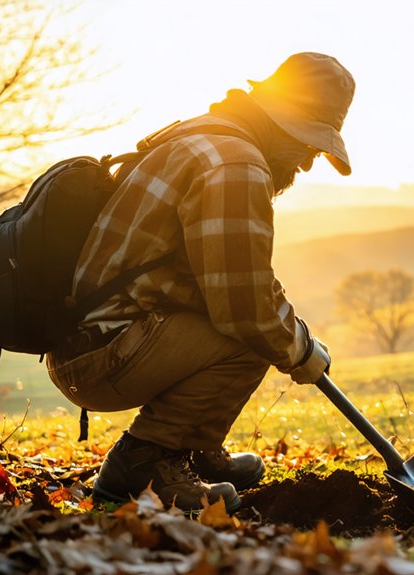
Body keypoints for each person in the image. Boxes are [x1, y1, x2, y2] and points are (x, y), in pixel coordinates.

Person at [45, 53, 355, 512]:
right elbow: (247, 307)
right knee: (257, 339)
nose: (308, 164)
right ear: (283, 120)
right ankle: (145, 466)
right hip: (105, 354)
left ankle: (193, 451)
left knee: (268, 330)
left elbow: (234, 275)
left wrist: (297, 337)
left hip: (87, 340)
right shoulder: (236, 163)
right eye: (309, 144)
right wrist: (300, 351)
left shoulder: (200, 134)